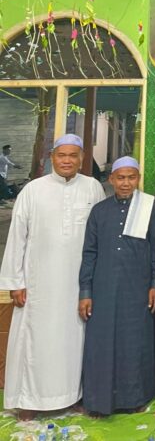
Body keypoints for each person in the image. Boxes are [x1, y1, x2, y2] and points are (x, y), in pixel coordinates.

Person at [0, 134, 104, 421]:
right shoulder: (33, 190)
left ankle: (73, 396)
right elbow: (17, 237)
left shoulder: (93, 187)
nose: (67, 161)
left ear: (82, 158)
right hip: (39, 284)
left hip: (78, 284)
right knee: (36, 339)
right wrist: (15, 282)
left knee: (76, 340)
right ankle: (29, 400)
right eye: (61, 155)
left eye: (73, 155)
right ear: (52, 157)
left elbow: (99, 236)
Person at [78, 156, 155, 416]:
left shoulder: (149, 207)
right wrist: (85, 292)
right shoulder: (99, 211)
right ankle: (98, 400)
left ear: (138, 179)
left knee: (134, 341)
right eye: (121, 178)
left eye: (131, 178)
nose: (126, 183)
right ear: (111, 179)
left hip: (137, 287)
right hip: (103, 287)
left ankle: (134, 398)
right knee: (101, 342)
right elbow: (89, 253)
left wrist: (154, 283)